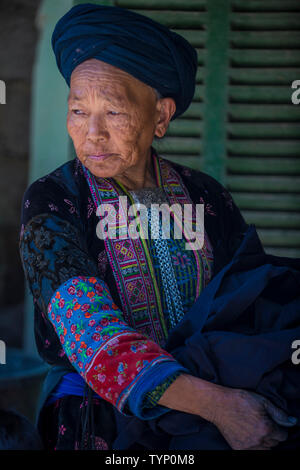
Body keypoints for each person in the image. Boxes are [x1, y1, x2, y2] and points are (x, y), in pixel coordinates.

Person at [19, 3, 295, 451]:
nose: (91, 133)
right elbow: (87, 330)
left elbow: (253, 301)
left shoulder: (207, 196)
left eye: (113, 112)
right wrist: (219, 406)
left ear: (161, 116)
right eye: (77, 111)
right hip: (98, 423)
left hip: (210, 419)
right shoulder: (55, 199)